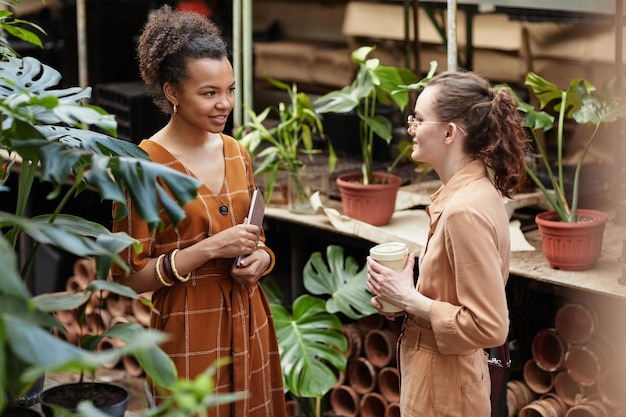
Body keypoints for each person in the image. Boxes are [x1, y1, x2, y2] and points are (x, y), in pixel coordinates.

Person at [110, 6, 287, 417]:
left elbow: (253, 236)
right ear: (172, 92)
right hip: (188, 328)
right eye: (209, 93)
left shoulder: (236, 153)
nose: (224, 103)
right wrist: (209, 249)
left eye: (230, 89)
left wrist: (260, 258)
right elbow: (127, 277)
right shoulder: (143, 167)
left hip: (250, 318)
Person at [366, 70, 529, 417]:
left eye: (419, 119)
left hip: (443, 388)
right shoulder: (472, 192)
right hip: (446, 376)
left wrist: (409, 298)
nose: (410, 127)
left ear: (449, 132)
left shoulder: (463, 210)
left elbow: (490, 324)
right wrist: (402, 300)